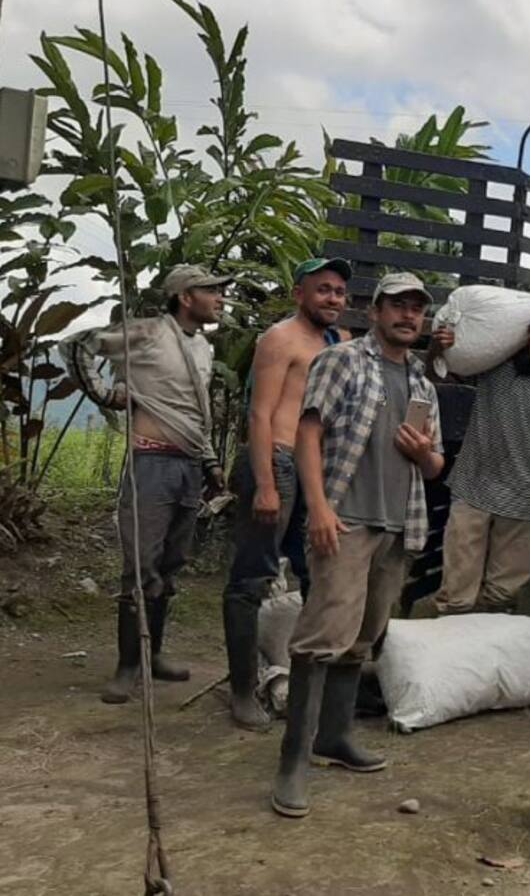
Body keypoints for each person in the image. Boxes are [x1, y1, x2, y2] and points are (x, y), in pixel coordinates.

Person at [271, 272, 446, 819]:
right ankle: (292, 761)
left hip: (399, 526)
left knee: (363, 638)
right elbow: (308, 433)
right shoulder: (342, 360)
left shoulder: (422, 383)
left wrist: (422, 453)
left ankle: (335, 738)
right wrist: (320, 508)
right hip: (346, 520)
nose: (408, 315)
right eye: (398, 305)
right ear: (375, 311)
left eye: (417, 308)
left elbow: (436, 466)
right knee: (321, 638)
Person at [60, 264, 229, 704]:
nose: (220, 298)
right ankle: (128, 665)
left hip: (189, 464)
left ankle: (153, 654)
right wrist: (105, 393)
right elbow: (77, 345)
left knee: (171, 563)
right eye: (211, 290)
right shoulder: (149, 332)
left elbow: (196, 411)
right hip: (151, 462)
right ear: (185, 297)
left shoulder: (203, 347)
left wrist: (210, 463)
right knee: (141, 564)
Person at [221, 256, 350, 731]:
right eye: (323, 289)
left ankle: (310, 684)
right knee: (252, 578)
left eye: (339, 291)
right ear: (300, 294)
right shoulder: (280, 338)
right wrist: (265, 485)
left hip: (314, 470)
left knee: (316, 570)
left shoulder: (340, 342)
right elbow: (259, 413)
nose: (332, 298)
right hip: (275, 460)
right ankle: (242, 692)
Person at [427, 307, 530, 615]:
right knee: (457, 592)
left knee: (502, 595)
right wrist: (437, 348)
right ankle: (450, 637)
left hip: (523, 493)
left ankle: (492, 640)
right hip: (474, 482)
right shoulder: (495, 361)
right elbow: (437, 375)